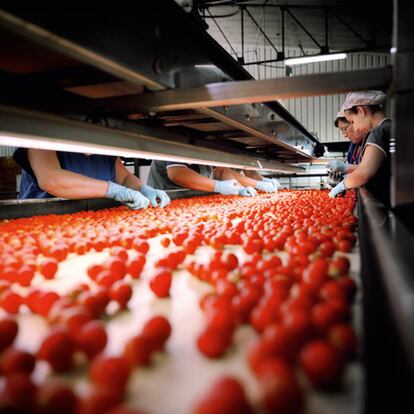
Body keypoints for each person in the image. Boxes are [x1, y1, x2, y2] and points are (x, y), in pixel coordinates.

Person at [13, 149, 170, 210]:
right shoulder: (42, 138)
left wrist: (142, 188)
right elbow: (51, 180)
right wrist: (113, 190)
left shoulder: (102, 148)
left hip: (89, 221)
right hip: (41, 220)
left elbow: (125, 177)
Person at [329, 91, 391, 206]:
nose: (356, 128)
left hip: (386, 201)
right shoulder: (390, 126)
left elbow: (364, 172)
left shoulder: (378, 132)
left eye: (353, 121)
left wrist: (342, 185)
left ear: (361, 111)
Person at [147, 160, 278, 197]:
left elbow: (220, 171)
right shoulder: (181, 134)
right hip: (166, 198)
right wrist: (218, 186)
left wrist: (239, 188)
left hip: (193, 198)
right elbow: (176, 173)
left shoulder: (211, 142)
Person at [326, 109, 366, 184]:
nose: (345, 135)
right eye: (342, 131)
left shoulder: (371, 141)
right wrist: (341, 180)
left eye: (344, 129)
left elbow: (371, 170)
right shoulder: (353, 146)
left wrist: (347, 168)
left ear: (355, 122)